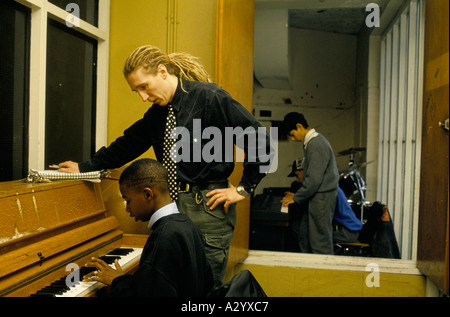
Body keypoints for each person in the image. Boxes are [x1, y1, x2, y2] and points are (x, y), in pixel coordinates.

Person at [56, 45, 273, 287]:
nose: (142, 96)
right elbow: (128, 144)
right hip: (172, 208)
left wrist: (243, 188)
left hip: (206, 209)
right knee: (172, 286)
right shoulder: (158, 113)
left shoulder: (209, 97)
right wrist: (85, 167)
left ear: (161, 72)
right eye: (136, 90)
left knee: (204, 291)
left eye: (143, 87)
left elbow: (258, 138)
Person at [82, 158, 214, 296]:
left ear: (147, 194)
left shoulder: (163, 238)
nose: (127, 209)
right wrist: (123, 279)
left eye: (128, 200)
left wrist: (117, 282)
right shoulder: (186, 224)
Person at [280, 113, 339, 254]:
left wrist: (295, 198)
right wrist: (297, 194)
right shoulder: (312, 143)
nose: (293, 139)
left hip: (321, 198)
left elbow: (313, 180)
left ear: (299, 126)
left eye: (292, 135)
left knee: (320, 242)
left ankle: (323, 273)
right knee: (305, 236)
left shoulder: (316, 143)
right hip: (316, 197)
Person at [284, 157, 362, 252]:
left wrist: (297, 197)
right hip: (345, 229)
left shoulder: (326, 189)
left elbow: (316, 206)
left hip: (347, 232)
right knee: (301, 228)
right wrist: (297, 196)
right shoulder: (324, 184)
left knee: (306, 234)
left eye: (297, 175)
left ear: (306, 171)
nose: (296, 180)